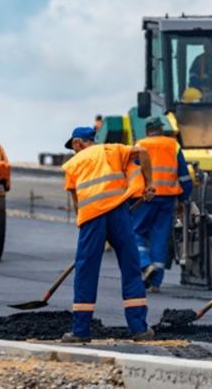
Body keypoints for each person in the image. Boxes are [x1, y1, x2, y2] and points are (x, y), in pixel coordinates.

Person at [61, 126, 156, 343]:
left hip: (92, 218)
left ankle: (81, 330)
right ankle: (139, 329)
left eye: (74, 147)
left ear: (77, 143)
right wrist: (149, 184)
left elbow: (77, 202)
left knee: (86, 270)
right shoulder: (112, 150)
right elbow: (142, 151)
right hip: (119, 213)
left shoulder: (73, 164)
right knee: (131, 267)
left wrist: (84, 228)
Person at [133, 118, 192, 292]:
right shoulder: (173, 145)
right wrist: (183, 199)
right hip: (168, 198)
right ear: (161, 129)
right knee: (160, 238)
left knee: (134, 232)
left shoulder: (140, 145)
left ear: (147, 130)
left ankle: (145, 264)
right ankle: (156, 283)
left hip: (145, 197)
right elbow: (184, 177)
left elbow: (132, 172)